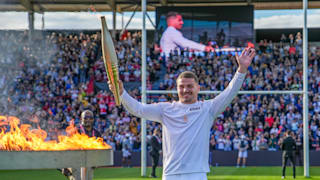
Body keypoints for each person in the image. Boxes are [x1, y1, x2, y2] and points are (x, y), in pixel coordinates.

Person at [108, 47, 255, 180]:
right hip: (171, 174)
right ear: (176, 88)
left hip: (197, 174)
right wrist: (122, 93)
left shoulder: (207, 109)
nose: (185, 90)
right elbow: (138, 109)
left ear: (198, 88)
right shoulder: (165, 109)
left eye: (190, 86)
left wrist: (241, 69)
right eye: (182, 87)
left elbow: (230, 92)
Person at [60, 110, 101, 180]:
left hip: (89, 163)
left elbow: (100, 149)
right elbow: (66, 147)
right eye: (85, 118)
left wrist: (96, 162)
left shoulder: (97, 133)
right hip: (75, 162)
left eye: (90, 118)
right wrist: (65, 165)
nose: (88, 120)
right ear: (81, 119)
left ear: (93, 119)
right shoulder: (75, 131)